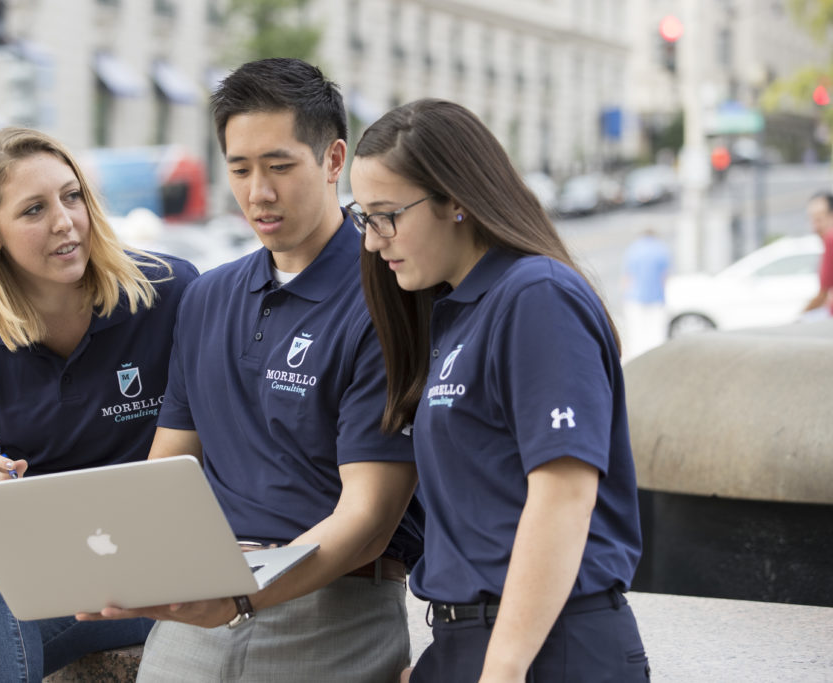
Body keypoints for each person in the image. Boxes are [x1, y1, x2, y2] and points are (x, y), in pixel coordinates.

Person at [79, 58, 423, 683]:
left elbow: (370, 518)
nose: (258, 192)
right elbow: (169, 472)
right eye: (239, 169)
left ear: (333, 158)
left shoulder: (387, 294)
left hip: (333, 606)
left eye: (280, 166)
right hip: (200, 607)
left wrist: (242, 595)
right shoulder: (207, 297)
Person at [349, 99, 648, 682]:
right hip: (474, 640)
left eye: (386, 215)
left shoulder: (537, 295)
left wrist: (502, 669)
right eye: (363, 217)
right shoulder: (456, 311)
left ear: (455, 198)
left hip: (548, 647)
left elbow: (563, 494)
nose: (372, 240)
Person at [0, 127, 198, 682]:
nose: (64, 221)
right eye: (33, 210)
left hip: (172, 562)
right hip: (64, 569)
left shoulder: (169, 290)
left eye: (72, 196)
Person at [622, 228, 671, 359]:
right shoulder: (661, 249)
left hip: (634, 297)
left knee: (636, 332)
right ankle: (655, 358)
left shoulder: (634, 249)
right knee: (656, 332)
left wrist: (625, 294)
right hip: (656, 296)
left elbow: (628, 276)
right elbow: (664, 276)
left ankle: (638, 360)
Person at [802, 191, 833, 317]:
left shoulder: (830, 238)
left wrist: (800, 315)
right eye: (812, 220)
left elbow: (823, 293)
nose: (815, 227)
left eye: (819, 219)